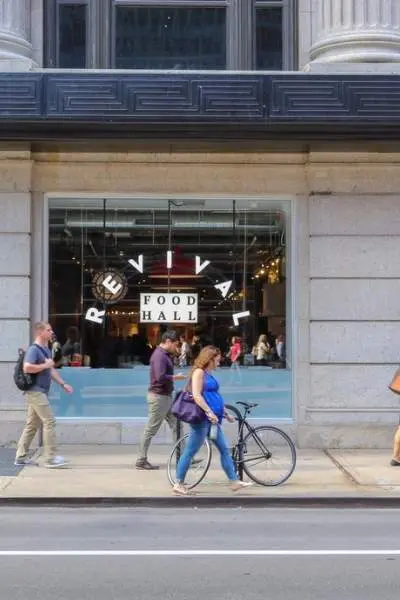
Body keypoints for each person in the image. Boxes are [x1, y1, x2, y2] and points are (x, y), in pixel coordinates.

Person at [173, 345, 253, 495]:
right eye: (217, 359)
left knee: (224, 449)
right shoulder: (198, 373)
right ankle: (178, 483)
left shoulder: (209, 374)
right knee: (191, 451)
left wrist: (225, 413)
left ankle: (234, 481)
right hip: (202, 419)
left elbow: (215, 396)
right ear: (209, 359)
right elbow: (197, 395)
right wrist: (209, 412)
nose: (219, 362)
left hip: (213, 420)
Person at [14, 321, 73, 468]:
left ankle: (20, 457)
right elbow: (27, 367)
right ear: (40, 332)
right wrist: (45, 365)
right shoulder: (34, 350)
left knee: (32, 425)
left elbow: (51, 370)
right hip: (35, 391)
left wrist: (63, 383)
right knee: (49, 421)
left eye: (51, 329)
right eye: (48, 330)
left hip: (40, 391)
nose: (51, 332)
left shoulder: (45, 349)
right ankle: (50, 458)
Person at [136, 330, 185, 470]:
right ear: (168, 341)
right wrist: (175, 378)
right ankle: (141, 459)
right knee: (151, 428)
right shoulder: (159, 356)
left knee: (177, 425)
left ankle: (184, 456)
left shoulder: (164, 355)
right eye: (175, 344)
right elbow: (159, 377)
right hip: (159, 397)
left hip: (165, 396)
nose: (176, 347)